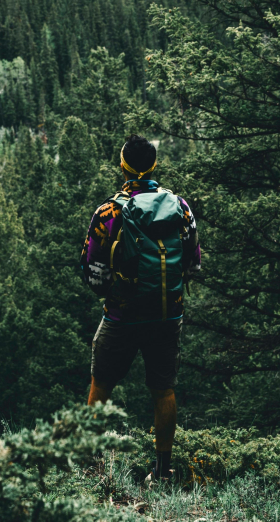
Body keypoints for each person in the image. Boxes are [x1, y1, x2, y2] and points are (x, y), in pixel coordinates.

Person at [80, 134, 201, 483]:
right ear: (154, 166)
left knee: (101, 384)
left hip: (121, 314)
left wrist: (115, 290)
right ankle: (162, 471)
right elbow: (192, 264)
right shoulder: (181, 207)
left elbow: (92, 272)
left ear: (122, 166)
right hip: (166, 314)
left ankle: (91, 466)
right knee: (163, 389)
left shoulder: (109, 212)